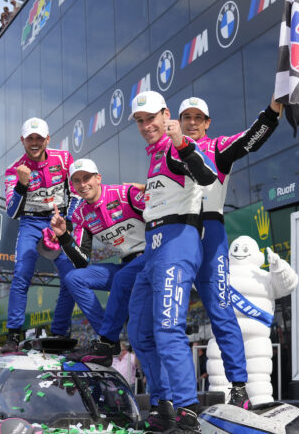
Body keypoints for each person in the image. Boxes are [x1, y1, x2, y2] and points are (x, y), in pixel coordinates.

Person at [178, 95, 281, 409]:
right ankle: (172, 395)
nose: (192, 122)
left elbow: (252, 138)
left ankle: (239, 387)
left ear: (207, 123)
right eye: (187, 117)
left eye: (199, 117)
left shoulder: (217, 147)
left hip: (209, 229)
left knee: (221, 308)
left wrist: (273, 111)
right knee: (168, 315)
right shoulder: (165, 151)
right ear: (179, 121)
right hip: (175, 232)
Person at [127, 91, 218, 433]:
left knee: (167, 327)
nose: (147, 125)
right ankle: (164, 403)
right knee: (138, 331)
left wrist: (181, 141)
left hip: (178, 241)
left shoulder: (174, 146)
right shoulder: (153, 155)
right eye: (140, 121)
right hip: (152, 247)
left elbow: (206, 176)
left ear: (166, 115)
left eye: (151, 118)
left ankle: (188, 409)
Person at [48, 158, 146, 366]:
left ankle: (107, 338)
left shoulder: (124, 193)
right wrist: (64, 235)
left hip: (151, 257)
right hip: (126, 265)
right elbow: (81, 261)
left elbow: (159, 210)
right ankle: (108, 341)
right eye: (76, 181)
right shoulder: (81, 214)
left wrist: (149, 188)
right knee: (73, 277)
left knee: (123, 279)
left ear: (98, 178)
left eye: (87, 178)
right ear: (72, 186)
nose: (83, 184)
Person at [3, 117, 80, 350]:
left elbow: (75, 194)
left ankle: (59, 331)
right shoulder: (14, 169)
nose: (34, 143)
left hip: (59, 219)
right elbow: (12, 212)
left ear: (48, 139)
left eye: (39, 138)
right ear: (22, 141)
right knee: (22, 274)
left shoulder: (64, 159)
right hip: (30, 222)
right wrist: (21, 185)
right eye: (30, 139)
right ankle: (14, 333)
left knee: (72, 277)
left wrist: (66, 222)